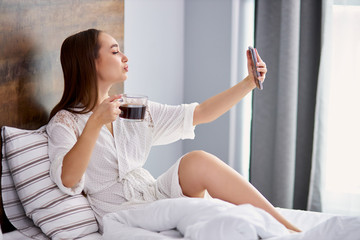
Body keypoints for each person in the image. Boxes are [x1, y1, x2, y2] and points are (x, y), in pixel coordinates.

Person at [46, 28, 301, 233]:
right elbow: (68, 179)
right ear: (90, 63)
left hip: (154, 194)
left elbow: (199, 113)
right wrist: (94, 124)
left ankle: (284, 226)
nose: (125, 57)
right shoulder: (65, 122)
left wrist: (248, 83)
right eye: (115, 52)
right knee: (210, 212)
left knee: (196, 161)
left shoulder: (131, 107)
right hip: (123, 212)